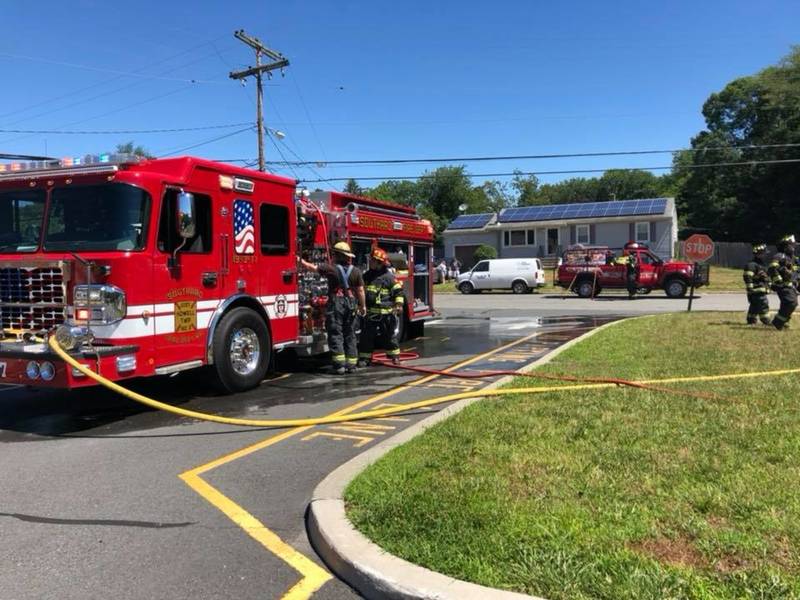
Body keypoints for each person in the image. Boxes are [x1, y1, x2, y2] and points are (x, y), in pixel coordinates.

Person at [300, 241, 366, 374]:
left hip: (337, 303)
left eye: (335, 254)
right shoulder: (357, 271)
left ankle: (339, 365)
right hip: (352, 304)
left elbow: (312, 268)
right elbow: (360, 291)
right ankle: (352, 365)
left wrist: (299, 260)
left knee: (336, 333)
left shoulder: (331, 269)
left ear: (338, 255)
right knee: (350, 334)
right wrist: (362, 306)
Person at [358, 247, 405, 367]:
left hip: (386, 314)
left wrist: (398, 305)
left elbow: (398, 292)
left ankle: (395, 357)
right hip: (371, 314)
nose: (370, 262)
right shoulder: (367, 276)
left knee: (389, 337)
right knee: (366, 337)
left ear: (379, 263)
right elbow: (360, 290)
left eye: (372, 260)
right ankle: (365, 358)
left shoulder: (389, 277)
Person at [768, 235, 797, 330]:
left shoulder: (793, 258)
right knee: (791, 303)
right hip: (783, 286)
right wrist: (779, 280)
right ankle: (778, 322)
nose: (793, 247)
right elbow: (772, 268)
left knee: (786, 304)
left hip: (791, 286)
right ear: (785, 246)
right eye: (791, 245)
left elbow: (796, 272)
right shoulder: (779, 256)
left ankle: (783, 322)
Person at [743, 243, 772, 325]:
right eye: (763, 253)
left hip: (760, 290)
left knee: (754, 306)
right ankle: (766, 321)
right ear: (759, 253)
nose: (765, 255)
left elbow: (765, 276)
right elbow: (747, 277)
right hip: (756, 290)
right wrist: (750, 289)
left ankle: (751, 320)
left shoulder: (761, 264)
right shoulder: (751, 265)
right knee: (763, 305)